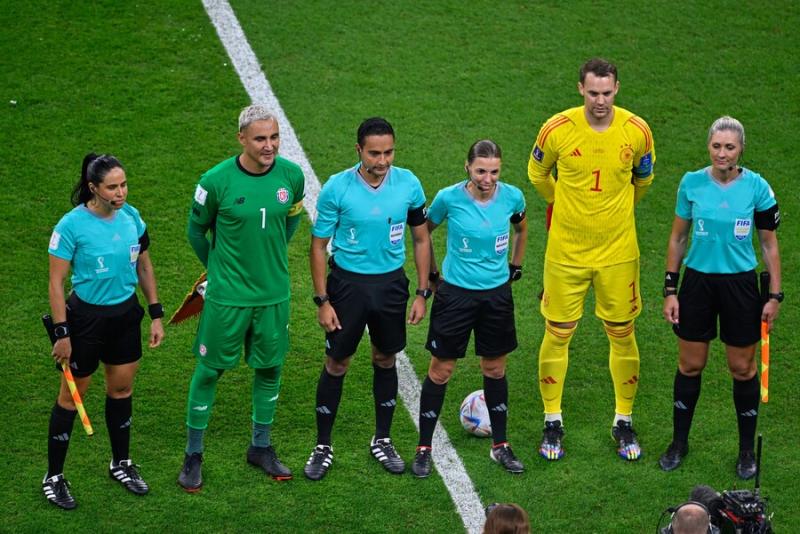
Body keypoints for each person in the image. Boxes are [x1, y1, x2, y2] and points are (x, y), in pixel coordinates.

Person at [527, 58, 656, 461]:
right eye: (593, 92)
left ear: (617, 89)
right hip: (566, 253)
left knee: (622, 331)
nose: (600, 100)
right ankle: (552, 421)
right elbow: (537, 174)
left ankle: (623, 420)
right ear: (580, 89)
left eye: (607, 92)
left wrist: (613, 217)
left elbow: (644, 179)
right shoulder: (557, 129)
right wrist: (564, 205)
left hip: (618, 253)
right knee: (558, 330)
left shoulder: (636, 131)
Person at [177, 104, 305, 491]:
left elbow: (292, 220)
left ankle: (260, 447)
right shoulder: (215, 182)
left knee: (269, 368)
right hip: (227, 298)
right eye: (261, 139)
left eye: (275, 137)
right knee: (210, 370)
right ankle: (193, 455)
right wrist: (219, 269)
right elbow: (196, 232)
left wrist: (266, 262)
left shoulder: (292, 176)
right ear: (242, 140)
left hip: (272, 295)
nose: (270, 146)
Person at [304, 117, 431, 481]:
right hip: (347, 287)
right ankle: (323, 445)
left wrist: (422, 292)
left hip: (391, 285)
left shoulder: (408, 184)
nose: (383, 160)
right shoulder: (336, 189)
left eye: (389, 152)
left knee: (385, 358)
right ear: (358, 150)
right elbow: (318, 246)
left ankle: (383, 439)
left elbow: (421, 239)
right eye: (374, 153)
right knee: (337, 362)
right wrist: (322, 300)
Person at [659, 116, 781, 480]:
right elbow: (678, 239)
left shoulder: (758, 188)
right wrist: (670, 289)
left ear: (741, 148)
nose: (722, 153)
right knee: (690, 365)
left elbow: (769, 245)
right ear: (708, 146)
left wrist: (774, 295)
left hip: (740, 288)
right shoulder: (691, 183)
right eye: (716, 146)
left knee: (742, 368)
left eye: (729, 147)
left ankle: (746, 452)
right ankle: (679, 443)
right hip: (697, 285)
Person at [44, 153, 165, 509]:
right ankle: (53, 476)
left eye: (124, 184)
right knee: (71, 397)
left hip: (125, 316)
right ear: (92, 188)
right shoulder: (70, 226)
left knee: (122, 389)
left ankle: (121, 463)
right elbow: (56, 282)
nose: (121, 192)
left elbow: (143, 264)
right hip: (86, 322)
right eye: (112, 187)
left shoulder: (132, 217)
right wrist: (63, 334)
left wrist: (155, 313)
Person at [411, 140, 527, 478]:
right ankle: (423, 448)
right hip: (456, 296)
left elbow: (522, 227)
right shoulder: (448, 198)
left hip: (496, 297)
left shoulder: (512, 196)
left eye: (494, 171)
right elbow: (424, 232)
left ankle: (500, 446)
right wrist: (432, 275)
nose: (487, 179)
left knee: (494, 369)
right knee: (441, 371)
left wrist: (515, 266)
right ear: (467, 168)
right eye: (480, 171)